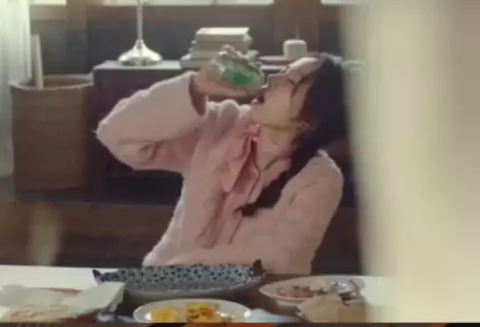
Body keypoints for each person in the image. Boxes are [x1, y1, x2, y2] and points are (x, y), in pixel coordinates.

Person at [97, 51, 349, 275]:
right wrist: (196, 86)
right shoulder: (221, 125)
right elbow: (115, 133)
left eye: (290, 80)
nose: (273, 78)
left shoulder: (320, 179)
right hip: (166, 292)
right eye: (282, 70)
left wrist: (183, 265)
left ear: (310, 120)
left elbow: (280, 258)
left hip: (251, 302)